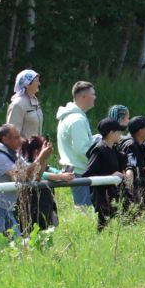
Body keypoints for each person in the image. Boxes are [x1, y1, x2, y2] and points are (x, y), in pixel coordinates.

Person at [0, 124, 69, 240]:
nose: (21, 140)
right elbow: (21, 177)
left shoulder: (14, 155)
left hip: (6, 207)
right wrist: (40, 158)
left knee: (17, 245)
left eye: (20, 137)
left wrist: (43, 159)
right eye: (16, 138)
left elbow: (35, 177)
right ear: (4, 139)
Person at [79, 115, 135, 230]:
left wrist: (128, 169)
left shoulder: (114, 148)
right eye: (118, 131)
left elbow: (124, 160)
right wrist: (110, 177)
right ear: (111, 133)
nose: (120, 133)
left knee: (122, 224)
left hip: (115, 194)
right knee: (104, 227)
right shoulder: (99, 150)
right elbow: (87, 174)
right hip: (102, 196)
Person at [55, 80, 98, 212]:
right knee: (85, 212)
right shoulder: (77, 119)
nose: (95, 97)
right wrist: (98, 161)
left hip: (75, 170)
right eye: (93, 94)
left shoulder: (70, 116)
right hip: (80, 171)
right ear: (83, 97)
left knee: (83, 210)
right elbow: (82, 149)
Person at [5, 69, 43, 145]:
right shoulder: (18, 104)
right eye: (36, 81)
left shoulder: (35, 101)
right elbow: (12, 133)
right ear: (27, 84)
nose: (39, 84)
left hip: (34, 152)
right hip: (21, 153)